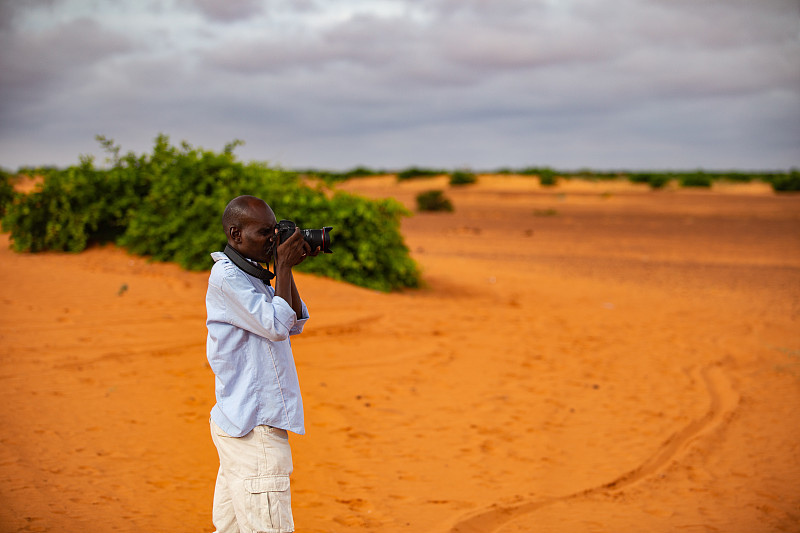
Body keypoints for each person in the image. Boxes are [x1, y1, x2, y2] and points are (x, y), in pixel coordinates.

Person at [205, 195, 317, 533]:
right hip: (257, 432)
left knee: (231, 529)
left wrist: (286, 267)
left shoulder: (252, 274)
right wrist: (282, 265)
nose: (272, 240)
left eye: (275, 232)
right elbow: (276, 326)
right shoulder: (228, 278)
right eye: (263, 233)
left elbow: (293, 319)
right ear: (236, 234)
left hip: (239, 422)